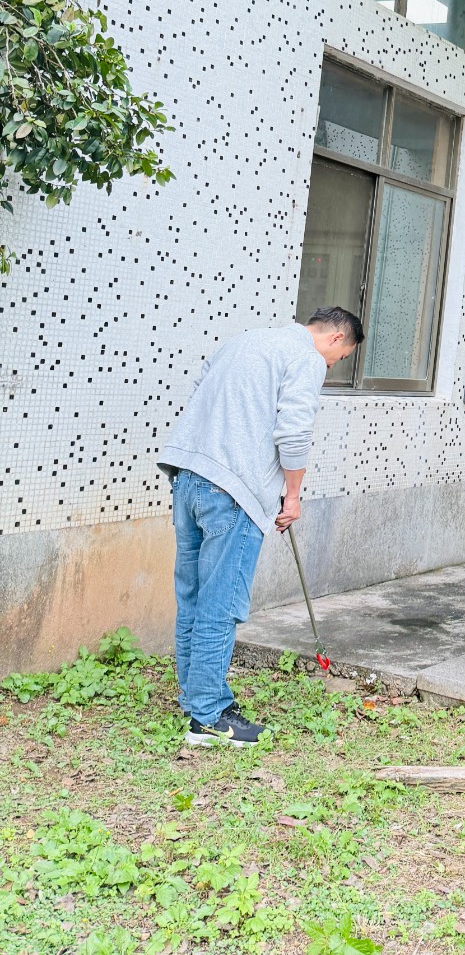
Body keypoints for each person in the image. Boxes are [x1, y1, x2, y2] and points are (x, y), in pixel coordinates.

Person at [158, 307, 363, 746]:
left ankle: (195, 699)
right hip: (233, 490)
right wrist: (292, 496)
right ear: (336, 338)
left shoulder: (243, 341)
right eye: (341, 358)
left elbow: (201, 396)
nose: (332, 366)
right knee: (220, 603)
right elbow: (294, 432)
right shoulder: (306, 358)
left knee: (193, 597)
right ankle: (208, 718)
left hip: (188, 478)